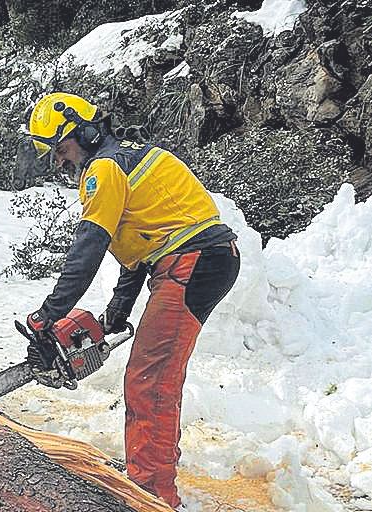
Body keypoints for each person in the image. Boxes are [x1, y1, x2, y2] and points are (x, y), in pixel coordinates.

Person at [23, 92, 240, 509]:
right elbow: (139, 252)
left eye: (62, 150)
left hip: (191, 261)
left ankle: (151, 495)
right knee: (155, 376)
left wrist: (48, 313)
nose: (60, 162)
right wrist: (114, 316)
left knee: (150, 379)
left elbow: (87, 248)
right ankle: (152, 471)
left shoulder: (104, 169)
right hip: (195, 259)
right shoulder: (126, 159)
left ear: (83, 133)